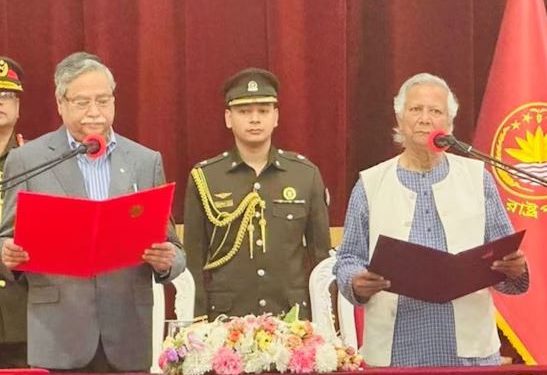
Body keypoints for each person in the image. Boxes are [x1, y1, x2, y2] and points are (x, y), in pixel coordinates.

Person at [0, 52, 186, 372]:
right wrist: (7, 254)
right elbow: (5, 238)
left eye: (103, 100)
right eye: (82, 102)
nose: (94, 112)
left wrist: (167, 260)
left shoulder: (144, 161)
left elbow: (176, 250)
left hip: (128, 333)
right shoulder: (29, 160)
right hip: (57, 334)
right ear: (61, 103)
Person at [334, 72, 529, 367]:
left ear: (449, 125)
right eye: (415, 110)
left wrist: (515, 268)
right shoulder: (370, 184)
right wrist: (355, 282)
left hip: (470, 352)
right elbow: (348, 258)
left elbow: (505, 256)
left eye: (435, 111)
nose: (424, 119)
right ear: (399, 119)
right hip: (395, 351)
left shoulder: (479, 180)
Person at [184, 67, 331, 321]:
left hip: (291, 320)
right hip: (226, 322)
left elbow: (321, 260)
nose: (254, 119)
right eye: (244, 112)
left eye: (263, 111)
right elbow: (193, 261)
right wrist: (195, 323)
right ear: (228, 118)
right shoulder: (206, 177)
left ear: (276, 116)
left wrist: (325, 323)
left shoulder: (305, 175)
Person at [0, 56, 28, 368]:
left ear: (18, 107)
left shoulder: (36, 161)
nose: (0, 102)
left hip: (22, 310)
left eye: (7, 96)